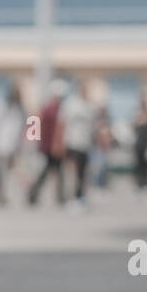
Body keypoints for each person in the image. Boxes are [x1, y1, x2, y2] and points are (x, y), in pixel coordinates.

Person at [28, 80, 69, 206]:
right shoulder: (51, 110)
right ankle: (35, 194)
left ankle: (37, 194)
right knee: (50, 172)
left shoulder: (53, 109)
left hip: (49, 146)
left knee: (54, 171)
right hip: (50, 146)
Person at [0, 82, 25, 207]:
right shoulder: (4, 108)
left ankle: (11, 193)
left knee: (10, 170)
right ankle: (2, 193)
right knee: (5, 171)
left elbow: (22, 129)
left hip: (12, 145)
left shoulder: (20, 110)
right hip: (3, 145)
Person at [60, 81, 96, 211]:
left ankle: (80, 197)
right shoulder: (71, 104)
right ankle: (71, 199)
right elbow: (62, 123)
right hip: (72, 143)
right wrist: (60, 143)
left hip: (85, 144)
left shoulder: (89, 106)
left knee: (83, 173)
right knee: (72, 173)